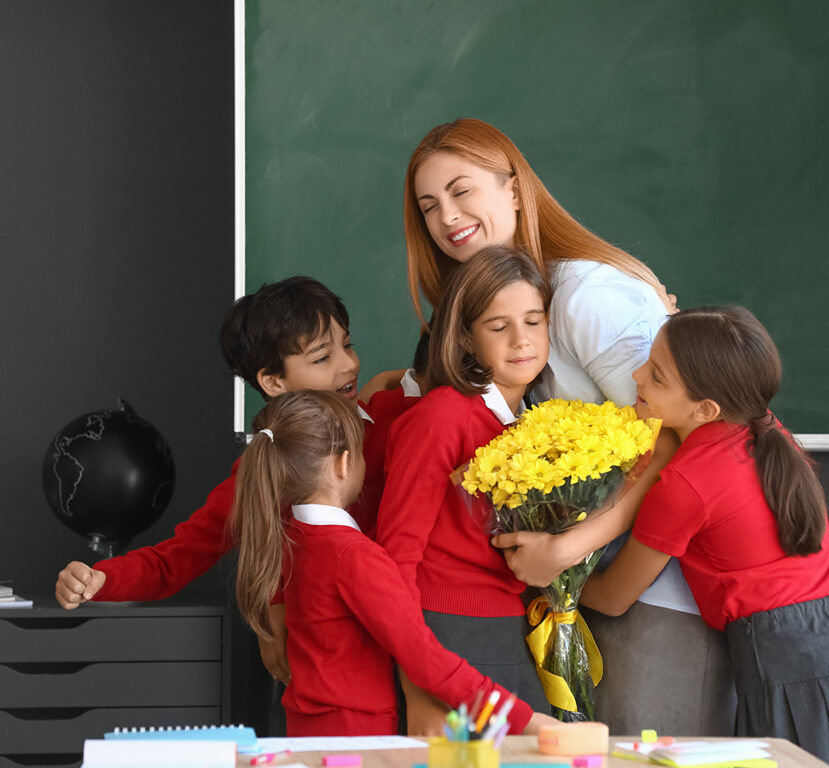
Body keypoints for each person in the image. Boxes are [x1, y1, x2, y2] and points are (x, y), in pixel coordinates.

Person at [402, 118, 733, 735]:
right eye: (429, 206)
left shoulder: (583, 296)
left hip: (656, 594)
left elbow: (677, 437)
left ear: (516, 191)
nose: (447, 217)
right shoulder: (511, 309)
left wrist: (569, 547)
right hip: (582, 601)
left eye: (461, 190)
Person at [581, 306, 829, 768]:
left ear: (705, 409)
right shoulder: (766, 428)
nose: (636, 374)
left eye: (656, 376)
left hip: (791, 663)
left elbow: (613, 598)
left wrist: (556, 578)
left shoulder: (685, 483)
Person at [52, 276, 380, 687]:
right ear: (274, 382)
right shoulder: (263, 467)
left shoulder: (388, 422)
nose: (349, 364)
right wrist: (102, 579)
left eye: (347, 345)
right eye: (322, 358)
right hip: (315, 670)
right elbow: (175, 559)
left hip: (397, 651)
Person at [231, 387, 552, 736]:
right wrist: (526, 719)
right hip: (357, 737)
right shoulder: (355, 557)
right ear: (344, 464)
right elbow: (426, 659)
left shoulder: (297, 540)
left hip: (306, 726)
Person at [375, 246, 552, 731]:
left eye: (534, 321)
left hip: (507, 625)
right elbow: (396, 558)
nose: (522, 340)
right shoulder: (441, 416)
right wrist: (418, 685)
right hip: (446, 630)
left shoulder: (537, 423)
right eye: (499, 327)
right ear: (467, 340)